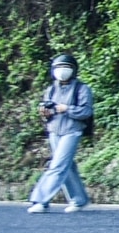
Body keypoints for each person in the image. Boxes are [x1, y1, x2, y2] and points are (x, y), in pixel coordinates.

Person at [27, 54, 94, 213]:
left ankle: (40, 200)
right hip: (54, 131)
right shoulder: (51, 89)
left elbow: (86, 111)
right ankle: (79, 200)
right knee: (67, 166)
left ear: (74, 69)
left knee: (57, 165)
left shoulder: (82, 89)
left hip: (72, 131)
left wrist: (67, 109)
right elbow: (46, 113)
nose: (62, 71)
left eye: (66, 67)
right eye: (58, 67)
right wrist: (45, 113)